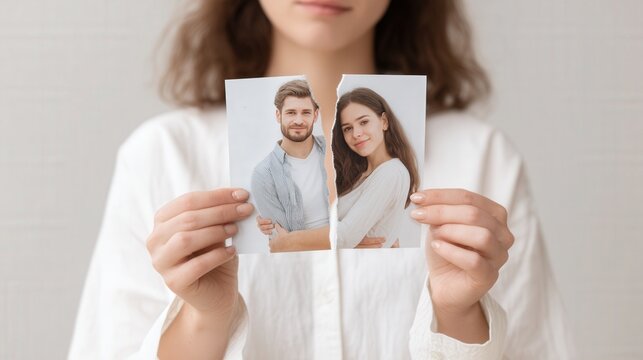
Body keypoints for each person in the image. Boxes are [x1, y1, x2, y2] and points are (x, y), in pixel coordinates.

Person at [68, 0, 575, 359]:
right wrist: (202, 319)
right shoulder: (161, 155)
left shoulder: (480, 157)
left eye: (362, 124)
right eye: (347, 125)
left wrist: (460, 314)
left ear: (383, 124)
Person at [250, 79, 329, 236]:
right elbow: (284, 243)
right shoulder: (264, 174)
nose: (298, 121)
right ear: (278, 115)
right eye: (291, 112)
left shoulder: (336, 148)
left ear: (315, 115)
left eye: (306, 112)